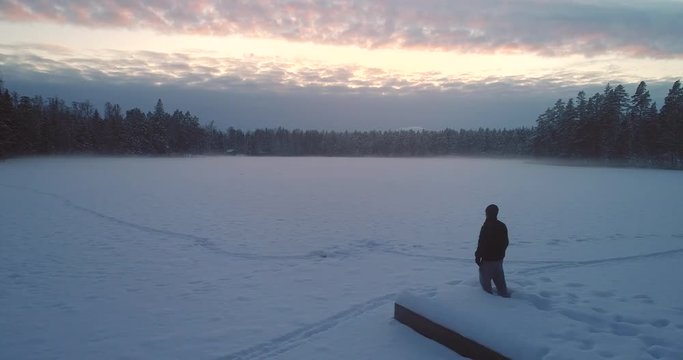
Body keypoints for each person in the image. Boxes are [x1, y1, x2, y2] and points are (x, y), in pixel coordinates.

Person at [475, 204, 510, 297]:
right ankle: (505, 298)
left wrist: (477, 257)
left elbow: (481, 243)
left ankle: (489, 303)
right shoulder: (502, 226)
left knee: (485, 286)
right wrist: (501, 254)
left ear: (487, 213)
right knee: (500, 281)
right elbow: (506, 242)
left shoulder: (486, 226)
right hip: (499, 260)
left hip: (487, 261)